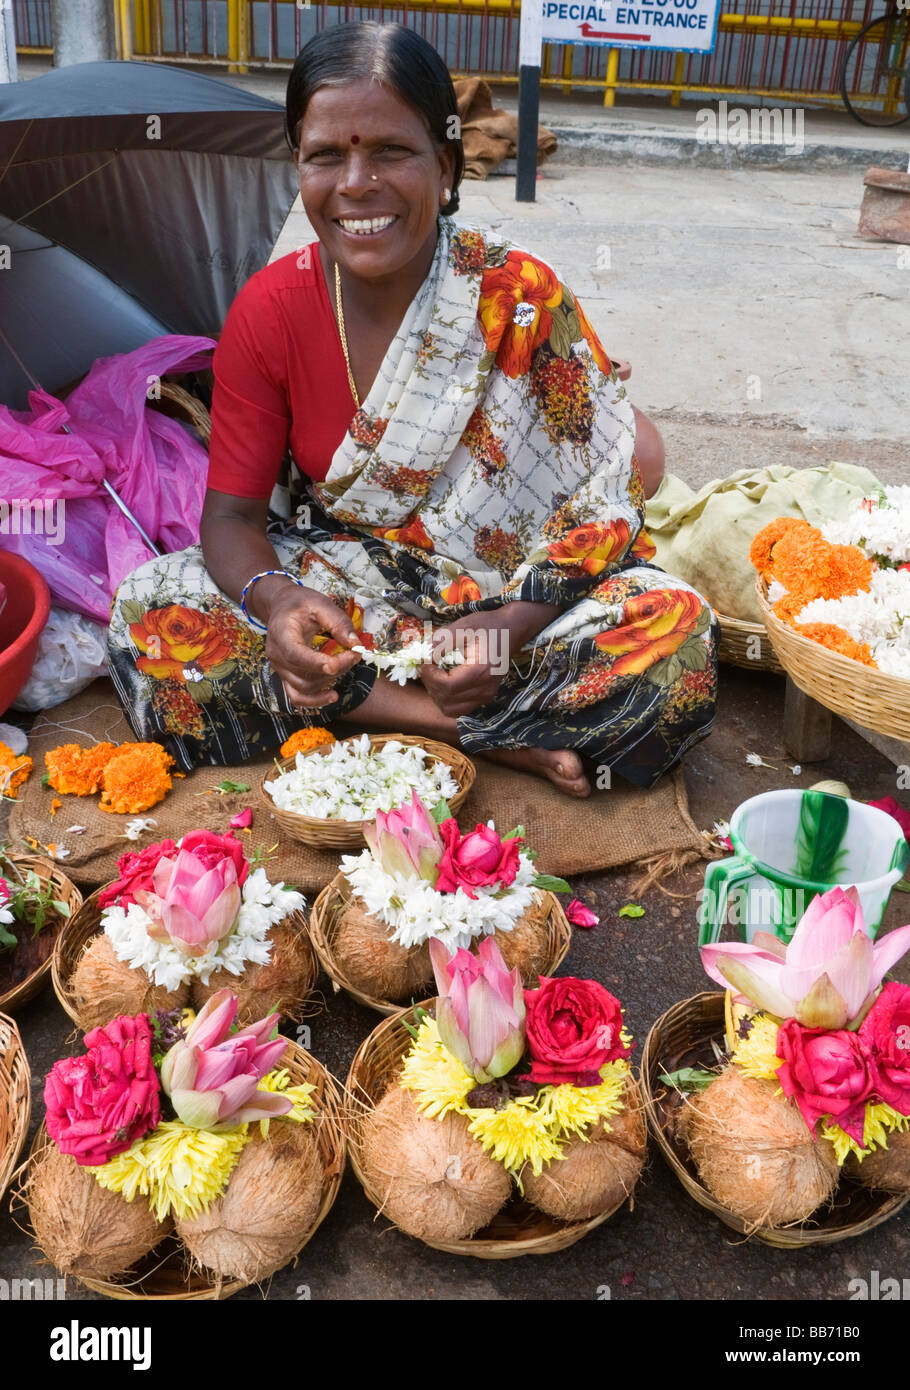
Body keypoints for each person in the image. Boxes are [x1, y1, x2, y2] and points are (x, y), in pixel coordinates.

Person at [108, 22, 716, 797]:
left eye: (391, 151)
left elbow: (611, 487)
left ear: (448, 163)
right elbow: (230, 520)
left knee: (678, 634)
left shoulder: (518, 297)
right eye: (326, 154)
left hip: (511, 601)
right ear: (299, 164)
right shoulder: (269, 309)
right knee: (150, 613)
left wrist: (508, 629)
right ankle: (472, 733)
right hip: (352, 599)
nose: (356, 183)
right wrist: (282, 601)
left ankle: (369, 709)